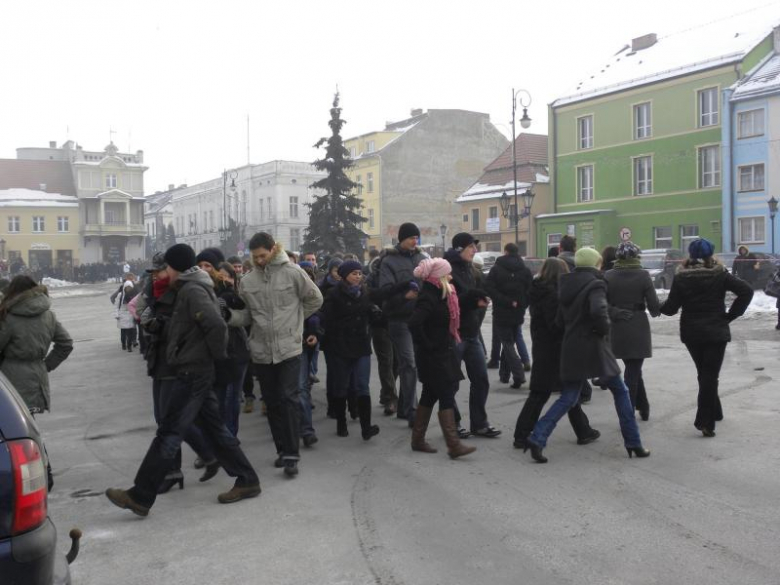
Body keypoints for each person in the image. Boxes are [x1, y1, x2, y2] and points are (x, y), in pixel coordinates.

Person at [106, 244, 261, 517]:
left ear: (175, 267)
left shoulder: (192, 290)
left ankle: (141, 495)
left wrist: (212, 358)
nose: (163, 272)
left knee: (168, 432)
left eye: (166, 267)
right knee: (215, 430)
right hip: (191, 369)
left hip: (193, 372)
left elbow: (215, 324)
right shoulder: (185, 288)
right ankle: (247, 479)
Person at [525, 247, 650, 463]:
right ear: (595, 264)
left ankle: (537, 437)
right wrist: (603, 330)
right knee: (620, 391)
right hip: (594, 348)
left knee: (569, 397)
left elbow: (559, 321)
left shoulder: (564, 284)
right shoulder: (596, 284)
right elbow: (598, 311)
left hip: (571, 346)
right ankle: (634, 442)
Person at [228, 232, 323, 477]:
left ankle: (292, 454)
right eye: (255, 256)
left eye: (263, 255)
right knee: (272, 402)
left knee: (289, 398)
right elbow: (247, 316)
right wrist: (230, 317)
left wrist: (296, 323)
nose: (259, 260)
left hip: (289, 348)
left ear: (272, 250)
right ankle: (282, 450)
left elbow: (315, 299)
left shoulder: (293, 273)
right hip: (261, 351)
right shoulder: (247, 282)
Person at [660, 238, 753, 437]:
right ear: (711, 254)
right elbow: (746, 291)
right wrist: (730, 316)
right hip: (716, 331)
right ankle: (706, 421)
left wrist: (653, 304)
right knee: (709, 375)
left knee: (705, 373)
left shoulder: (681, 277)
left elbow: (670, 308)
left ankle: (714, 412)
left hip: (691, 333)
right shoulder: (720, 274)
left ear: (690, 255)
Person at [513, 258, 600, 448]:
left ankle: (583, 430)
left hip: (544, 347)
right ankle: (521, 435)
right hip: (554, 349)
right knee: (542, 393)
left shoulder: (538, 290)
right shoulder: (552, 294)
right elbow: (555, 325)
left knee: (568, 393)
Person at [408, 258, 475, 459]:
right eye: (447, 273)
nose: (451, 276)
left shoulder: (439, 294)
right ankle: (453, 445)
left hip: (441, 352)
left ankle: (417, 440)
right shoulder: (428, 297)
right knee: (446, 394)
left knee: (430, 393)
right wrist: (428, 344)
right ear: (438, 276)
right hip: (434, 355)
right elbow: (414, 324)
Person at [444, 233, 498, 438]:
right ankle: (453, 423)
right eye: (470, 248)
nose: (475, 251)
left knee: (481, 379)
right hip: (454, 334)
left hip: (472, 333)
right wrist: (474, 299)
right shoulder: (446, 270)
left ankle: (479, 423)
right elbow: (451, 301)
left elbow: (472, 295)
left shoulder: (469, 269)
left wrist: (480, 297)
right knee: (451, 382)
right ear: (459, 249)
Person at [321, 260, 382, 440]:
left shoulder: (364, 293)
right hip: (340, 347)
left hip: (361, 345)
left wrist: (376, 314)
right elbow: (327, 320)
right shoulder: (333, 294)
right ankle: (341, 423)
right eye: (354, 273)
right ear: (344, 275)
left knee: (363, 386)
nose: (358, 276)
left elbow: (370, 312)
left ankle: (366, 428)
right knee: (342, 386)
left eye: (360, 273)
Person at [604, 242, 660, 421]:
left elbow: (601, 303)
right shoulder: (643, 275)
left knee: (633, 368)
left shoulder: (608, 275)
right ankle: (627, 412)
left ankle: (643, 406)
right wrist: (660, 308)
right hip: (637, 326)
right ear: (636, 257)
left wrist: (615, 312)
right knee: (632, 372)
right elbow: (653, 306)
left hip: (618, 327)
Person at [378, 223, 425, 424]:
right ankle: (412, 410)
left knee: (412, 365)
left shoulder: (422, 259)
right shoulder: (389, 261)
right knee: (409, 363)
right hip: (399, 319)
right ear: (401, 239)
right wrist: (404, 296)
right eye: (411, 238)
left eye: (417, 237)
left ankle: (404, 408)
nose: (415, 241)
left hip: (419, 318)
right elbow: (385, 292)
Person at [485, 243, 532, 389]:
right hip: (518, 310)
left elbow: (489, 288)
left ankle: (518, 374)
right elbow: (530, 290)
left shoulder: (496, 269)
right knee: (510, 338)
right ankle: (504, 374)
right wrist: (522, 303)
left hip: (501, 310)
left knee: (507, 342)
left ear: (505, 252)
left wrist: (505, 300)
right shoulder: (525, 270)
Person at [111, 274, 138, 352]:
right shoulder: (120, 295)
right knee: (123, 332)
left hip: (130, 314)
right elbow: (116, 305)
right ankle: (123, 344)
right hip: (122, 315)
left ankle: (129, 346)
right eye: (127, 287)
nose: (128, 289)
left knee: (130, 332)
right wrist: (116, 314)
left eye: (130, 288)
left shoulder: (133, 295)